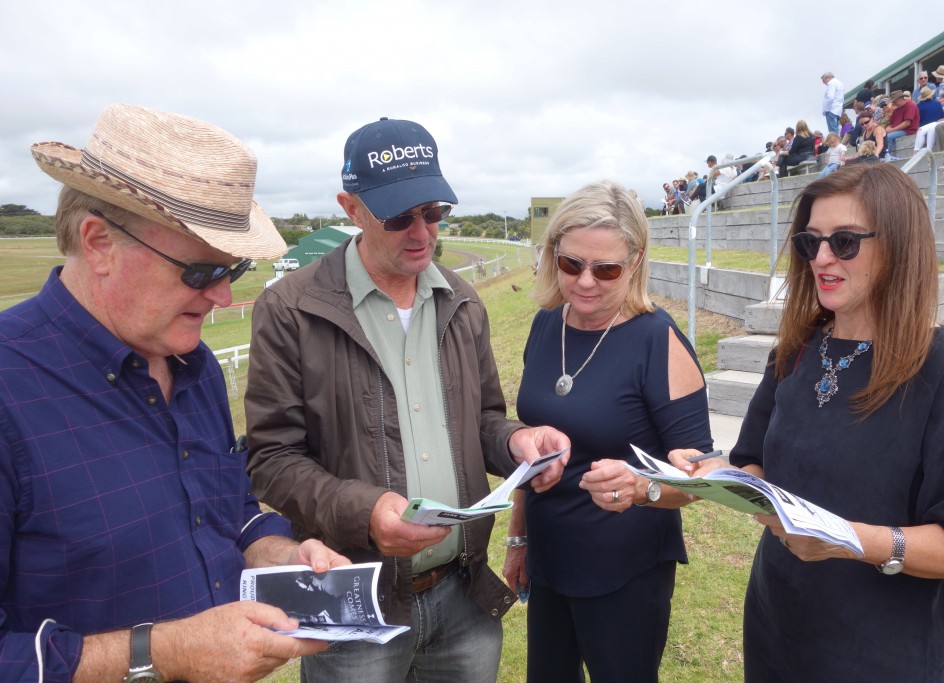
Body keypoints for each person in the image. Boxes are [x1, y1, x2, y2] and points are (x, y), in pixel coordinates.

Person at [0, 103, 350, 683]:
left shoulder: (195, 365)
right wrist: (165, 653)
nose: (222, 297)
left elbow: (225, 514)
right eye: (200, 273)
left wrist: (284, 556)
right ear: (99, 243)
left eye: (233, 271)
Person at [244, 117, 570, 683]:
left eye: (433, 212)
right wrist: (365, 512)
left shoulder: (461, 301)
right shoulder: (292, 308)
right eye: (398, 216)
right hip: (357, 606)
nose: (421, 232)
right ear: (351, 209)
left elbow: (482, 418)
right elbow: (271, 459)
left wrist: (517, 440)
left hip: (463, 594)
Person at [677, 163, 944, 682]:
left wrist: (853, 541)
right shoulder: (795, 352)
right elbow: (754, 464)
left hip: (880, 653)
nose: (822, 258)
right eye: (810, 242)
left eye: (844, 241)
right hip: (777, 625)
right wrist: (712, 477)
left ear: (898, 246)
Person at [502, 179, 713, 683]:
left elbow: (701, 473)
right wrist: (519, 537)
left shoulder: (657, 339)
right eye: (571, 263)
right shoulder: (546, 324)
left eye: (606, 269)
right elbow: (534, 442)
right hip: (550, 554)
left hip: (625, 569)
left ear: (635, 262)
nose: (585, 282)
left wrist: (642, 487)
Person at [884, 90, 920, 158]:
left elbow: (907, 123)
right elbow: (891, 124)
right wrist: (888, 128)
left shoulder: (910, 106)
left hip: (909, 130)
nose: (893, 103)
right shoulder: (896, 110)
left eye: (894, 101)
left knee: (889, 136)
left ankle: (888, 156)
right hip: (899, 130)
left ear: (900, 99)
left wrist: (892, 130)